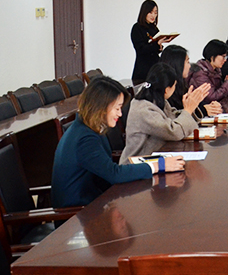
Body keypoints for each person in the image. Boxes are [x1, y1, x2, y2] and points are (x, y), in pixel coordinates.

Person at [51, 76, 185, 208]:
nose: (120, 114)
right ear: (101, 107)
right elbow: (113, 174)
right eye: (117, 108)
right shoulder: (84, 138)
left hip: (95, 203)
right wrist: (159, 165)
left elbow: (105, 170)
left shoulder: (89, 128)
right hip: (77, 213)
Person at [120, 63, 208, 163]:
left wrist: (190, 107)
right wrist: (188, 110)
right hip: (136, 164)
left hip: (154, 157)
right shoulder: (143, 109)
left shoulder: (156, 98)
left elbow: (172, 117)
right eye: (174, 86)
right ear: (167, 90)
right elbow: (174, 132)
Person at [160, 45, 222, 118]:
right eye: (187, 62)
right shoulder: (167, 87)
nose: (189, 66)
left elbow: (191, 101)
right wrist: (203, 110)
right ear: (178, 64)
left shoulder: (182, 83)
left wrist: (210, 106)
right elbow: (176, 114)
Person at [188, 39, 228, 104]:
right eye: (223, 57)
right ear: (212, 56)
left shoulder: (216, 70)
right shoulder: (200, 72)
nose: (225, 60)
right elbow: (212, 97)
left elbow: (219, 92)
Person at [130, 0, 162, 82]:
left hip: (155, 68)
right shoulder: (137, 28)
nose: (153, 15)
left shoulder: (154, 28)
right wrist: (156, 45)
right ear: (144, 12)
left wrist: (160, 47)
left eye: (155, 13)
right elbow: (141, 49)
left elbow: (154, 50)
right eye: (150, 12)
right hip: (143, 69)